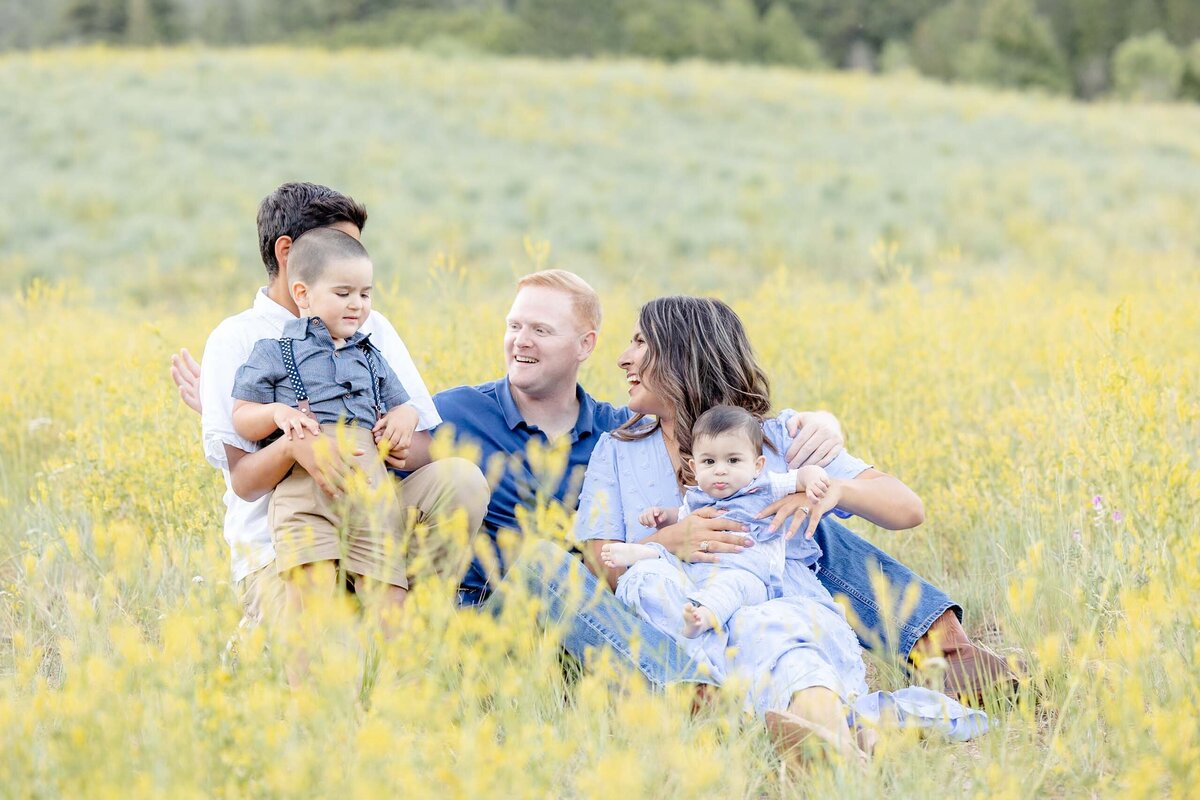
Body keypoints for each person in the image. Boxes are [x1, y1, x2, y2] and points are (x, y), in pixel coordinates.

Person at [174, 259, 1016, 702]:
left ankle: (946, 649)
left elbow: (728, 464)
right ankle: (696, 697)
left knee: (812, 523)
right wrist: (240, 410)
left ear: (587, 341)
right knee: (544, 565)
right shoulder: (455, 414)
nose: (518, 341)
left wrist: (818, 445)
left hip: (620, 606)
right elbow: (359, 443)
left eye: (540, 329)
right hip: (503, 604)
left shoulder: (625, 430)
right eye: (511, 327)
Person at [573, 296, 989, 759]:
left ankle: (834, 747)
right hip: (686, 628)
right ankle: (854, 736)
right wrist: (667, 541)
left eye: (640, 342)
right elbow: (599, 563)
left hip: (778, 611)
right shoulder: (617, 450)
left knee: (787, 636)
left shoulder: (778, 438)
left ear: (681, 352)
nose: (623, 357)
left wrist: (836, 491)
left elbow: (907, 508)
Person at [172, 182, 489, 630]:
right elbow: (244, 480)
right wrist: (292, 444)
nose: (358, 296)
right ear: (289, 254)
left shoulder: (370, 325)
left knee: (462, 481)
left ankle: (406, 624)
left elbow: (422, 448)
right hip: (281, 544)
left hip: (370, 509)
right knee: (328, 670)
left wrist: (389, 433)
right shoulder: (239, 338)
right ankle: (278, 635)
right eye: (341, 249)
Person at [231, 228, 419, 646]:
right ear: (303, 293)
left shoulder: (370, 355)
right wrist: (277, 413)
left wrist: (404, 416)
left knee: (390, 597)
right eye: (344, 292)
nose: (357, 304)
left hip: (370, 495)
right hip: (305, 494)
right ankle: (306, 701)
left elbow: (403, 404)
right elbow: (242, 416)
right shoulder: (273, 351)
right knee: (308, 605)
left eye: (366, 294)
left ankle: (394, 693)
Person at [602, 405, 835, 645]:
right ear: (694, 467)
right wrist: (663, 516)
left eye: (733, 460)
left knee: (733, 586)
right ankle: (640, 553)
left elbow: (798, 477)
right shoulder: (697, 496)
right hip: (700, 567)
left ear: (757, 465)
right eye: (709, 462)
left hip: (750, 573)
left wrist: (813, 477)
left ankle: (704, 616)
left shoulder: (763, 486)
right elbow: (683, 517)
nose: (720, 470)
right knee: (666, 555)